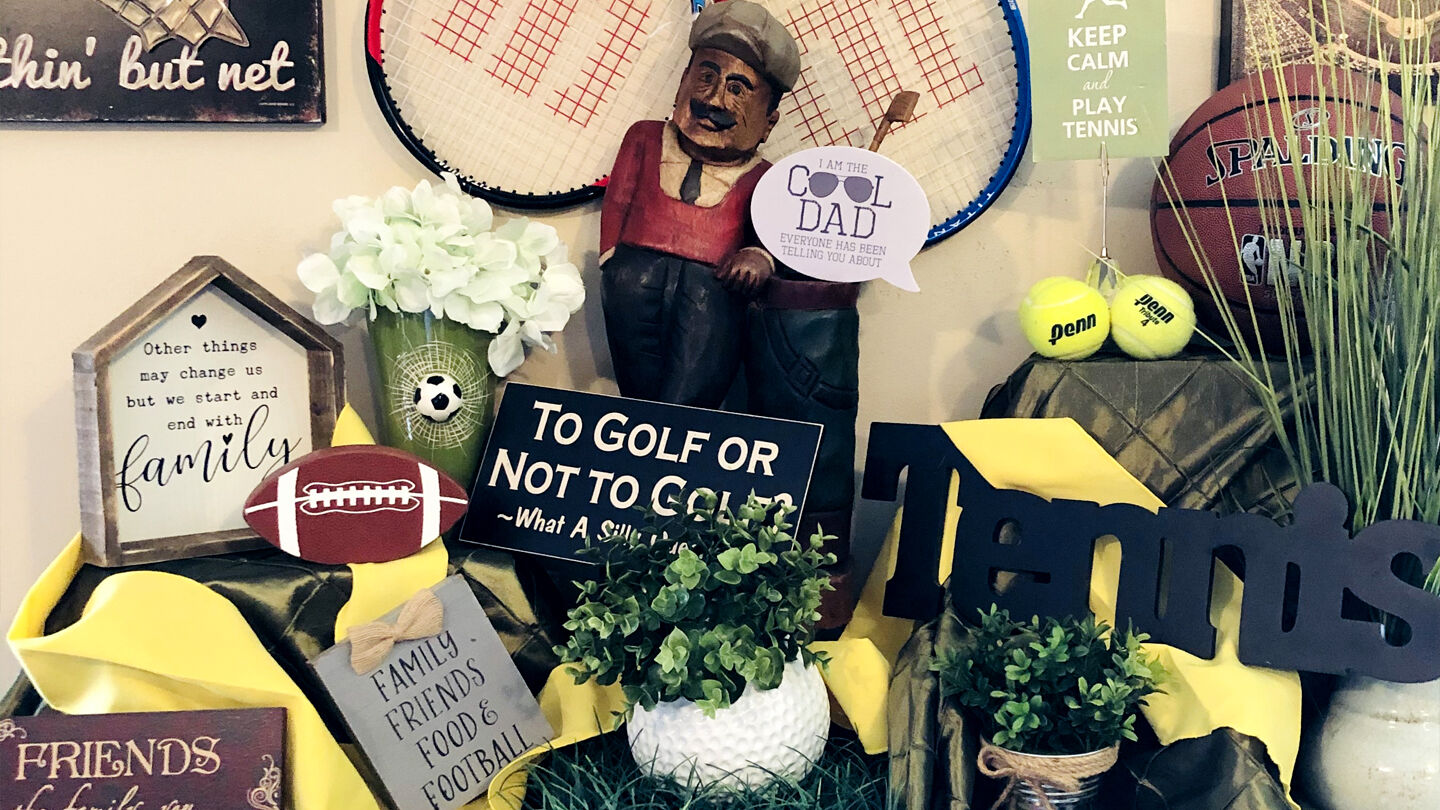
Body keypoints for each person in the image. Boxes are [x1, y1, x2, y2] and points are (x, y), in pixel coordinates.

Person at [600, 1, 858, 628]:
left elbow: (773, 239)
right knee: (640, 403)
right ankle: (636, 528)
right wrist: (611, 259)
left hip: (711, 297)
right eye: (706, 75)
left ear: (769, 120)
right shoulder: (644, 139)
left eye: (739, 88)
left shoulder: (766, 178)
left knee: (683, 414)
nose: (715, 98)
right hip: (632, 285)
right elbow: (620, 199)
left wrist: (759, 258)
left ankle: (672, 534)